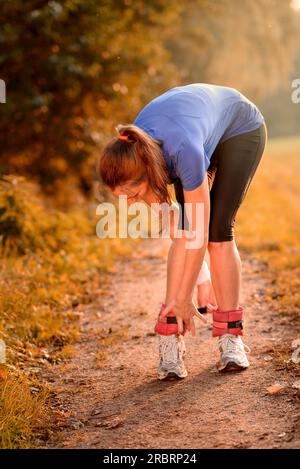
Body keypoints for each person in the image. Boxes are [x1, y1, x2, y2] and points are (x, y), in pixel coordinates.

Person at [99, 83, 267, 380]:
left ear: (149, 174)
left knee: (217, 234)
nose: (129, 203)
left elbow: (199, 234)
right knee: (185, 228)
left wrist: (185, 293)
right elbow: (181, 231)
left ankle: (231, 338)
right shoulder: (136, 151)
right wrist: (192, 286)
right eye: (121, 197)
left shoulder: (183, 152)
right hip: (190, 129)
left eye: (133, 194)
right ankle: (171, 331)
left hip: (240, 130)